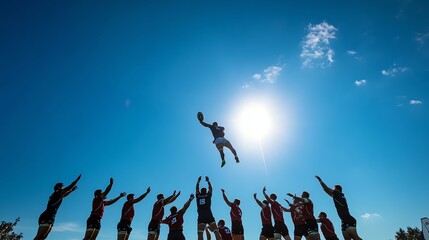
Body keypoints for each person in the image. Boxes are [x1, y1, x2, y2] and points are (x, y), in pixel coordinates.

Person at [34, 174, 81, 240]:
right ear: (58, 188)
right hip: (47, 215)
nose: (63, 188)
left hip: (51, 216)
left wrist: (71, 191)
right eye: (62, 187)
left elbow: (65, 194)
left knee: (43, 237)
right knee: (39, 236)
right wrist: (77, 179)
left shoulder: (58, 194)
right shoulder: (57, 193)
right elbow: (70, 186)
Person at [315, 176, 362, 240]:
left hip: (348, 218)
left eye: (333, 188)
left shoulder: (338, 193)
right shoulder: (338, 196)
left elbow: (327, 189)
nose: (333, 189)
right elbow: (327, 191)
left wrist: (320, 180)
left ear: (337, 189)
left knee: (355, 237)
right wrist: (325, 189)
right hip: (344, 220)